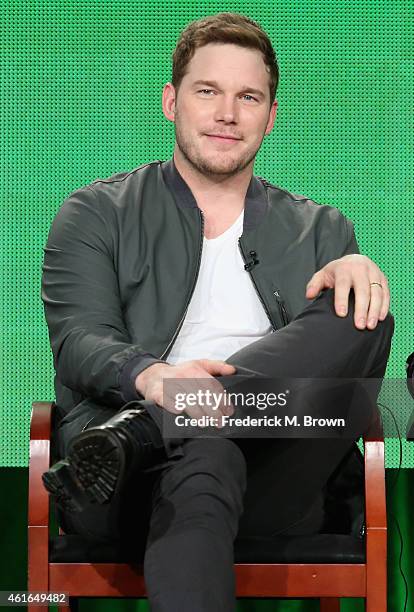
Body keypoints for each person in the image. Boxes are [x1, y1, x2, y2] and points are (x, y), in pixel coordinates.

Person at [41, 12, 394, 612]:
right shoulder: (96, 213)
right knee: (204, 444)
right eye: (208, 92)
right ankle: (157, 425)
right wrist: (153, 378)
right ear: (172, 102)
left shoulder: (322, 228)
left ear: (270, 115)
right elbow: (79, 340)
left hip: (274, 473)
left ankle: (151, 430)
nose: (228, 113)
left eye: (248, 96)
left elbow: (338, 381)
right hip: (120, 483)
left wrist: (357, 269)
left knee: (363, 305)